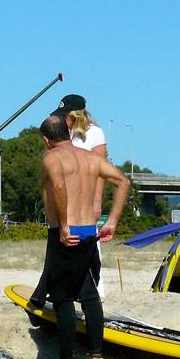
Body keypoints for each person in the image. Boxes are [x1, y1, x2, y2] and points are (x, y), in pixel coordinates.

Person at [38, 115, 130, 359]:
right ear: (68, 133)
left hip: (66, 234)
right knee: (89, 295)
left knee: (62, 297)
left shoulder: (52, 158)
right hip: (89, 232)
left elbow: (58, 185)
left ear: (46, 140)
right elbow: (123, 181)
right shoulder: (91, 158)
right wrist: (111, 222)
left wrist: (64, 226)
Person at [30, 94, 109, 307]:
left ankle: (93, 292)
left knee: (88, 247)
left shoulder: (94, 134)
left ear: (76, 115)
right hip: (63, 197)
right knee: (57, 243)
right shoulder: (63, 133)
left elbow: (101, 171)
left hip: (84, 200)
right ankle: (47, 287)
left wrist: (97, 201)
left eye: (65, 114)